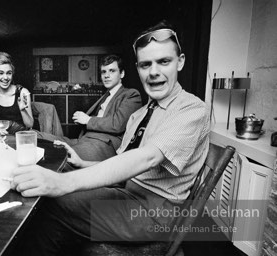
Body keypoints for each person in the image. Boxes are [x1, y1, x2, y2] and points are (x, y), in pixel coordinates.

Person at [12, 20, 210, 255]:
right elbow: (123, 163)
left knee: (54, 202)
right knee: (50, 199)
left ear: (181, 62)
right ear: (138, 68)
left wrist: (63, 183)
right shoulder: (140, 114)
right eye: (146, 64)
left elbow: (146, 159)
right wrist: (82, 164)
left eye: (164, 61)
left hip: (155, 215)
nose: (154, 72)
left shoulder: (191, 109)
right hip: (127, 195)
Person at [37, 54, 142, 162]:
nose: (107, 75)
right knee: (34, 136)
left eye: (112, 71)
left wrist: (87, 120)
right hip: (82, 140)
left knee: (58, 157)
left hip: (103, 144)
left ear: (122, 74)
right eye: (103, 72)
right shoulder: (105, 96)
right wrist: (82, 120)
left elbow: (117, 124)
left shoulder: (131, 94)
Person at [0, 52, 33, 135]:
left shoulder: (23, 93)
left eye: (9, 73)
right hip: (2, 136)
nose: (5, 77)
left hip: (21, 136)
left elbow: (30, 125)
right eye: (0, 73)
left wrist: (22, 110)